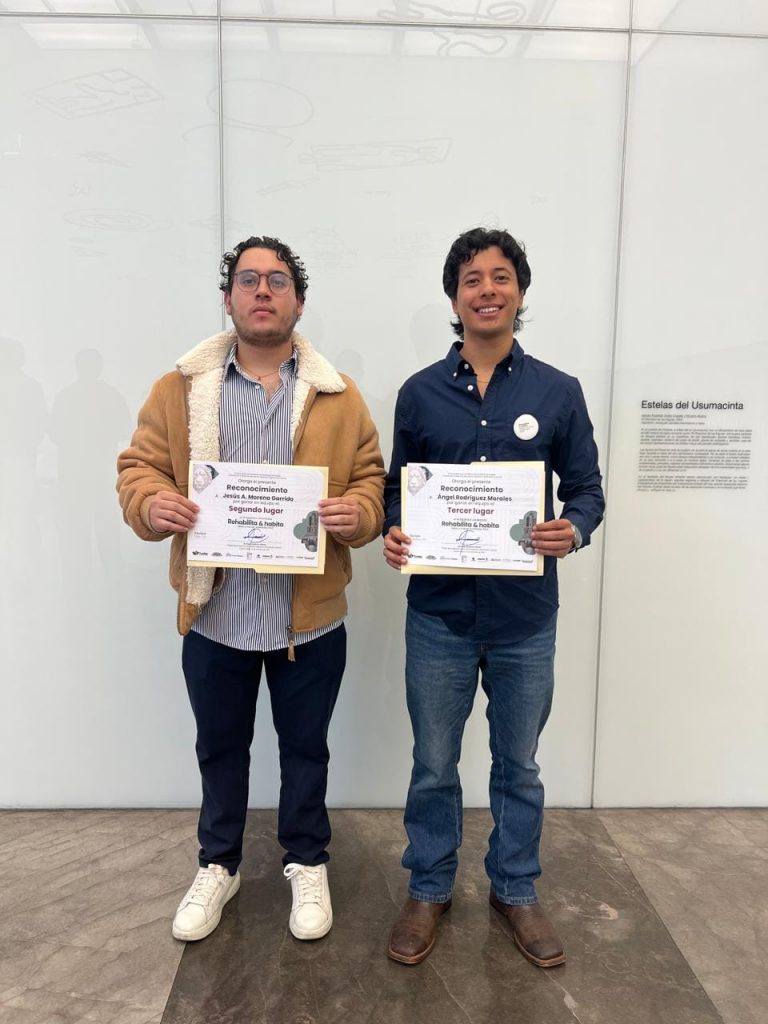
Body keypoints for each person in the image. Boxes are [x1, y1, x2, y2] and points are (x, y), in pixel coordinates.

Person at [118, 235, 385, 943]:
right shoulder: (180, 390)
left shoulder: (337, 394)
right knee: (219, 748)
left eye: (277, 280)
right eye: (248, 280)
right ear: (228, 298)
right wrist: (152, 503)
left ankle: (307, 860)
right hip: (217, 614)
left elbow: (370, 479)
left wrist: (357, 513)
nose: (262, 291)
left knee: (307, 749)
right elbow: (138, 468)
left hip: (309, 621)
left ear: (299, 300)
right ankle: (219, 864)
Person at [383, 227, 604, 967]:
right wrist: (393, 530)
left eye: (500, 276)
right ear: (455, 298)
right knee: (433, 764)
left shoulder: (557, 392)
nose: (487, 289)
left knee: (519, 766)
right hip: (438, 616)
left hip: (524, 621)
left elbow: (587, 491)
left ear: (520, 291)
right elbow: (397, 490)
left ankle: (515, 889)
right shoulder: (418, 393)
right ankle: (429, 887)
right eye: (472, 278)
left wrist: (572, 529)